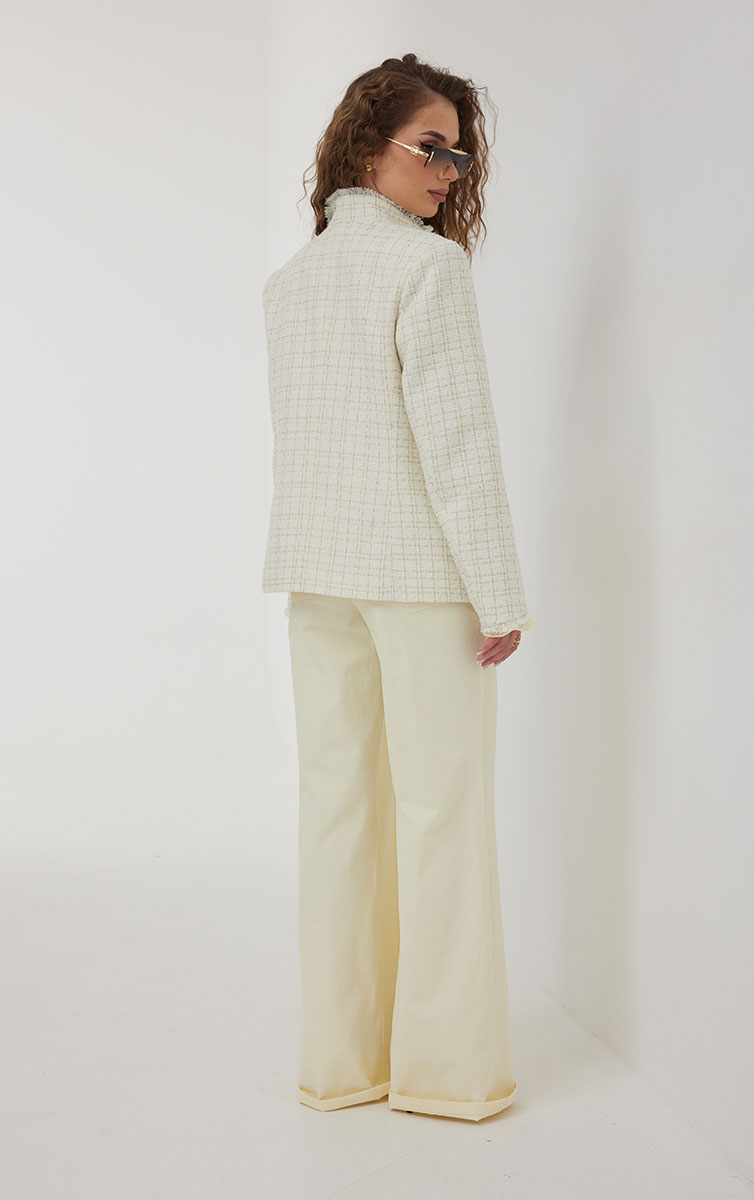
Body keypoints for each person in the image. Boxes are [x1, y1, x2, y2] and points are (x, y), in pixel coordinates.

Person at [261, 53, 536, 1121]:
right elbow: (457, 447)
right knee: (441, 818)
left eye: (458, 155)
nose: (449, 172)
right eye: (433, 147)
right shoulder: (426, 269)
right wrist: (500, 594)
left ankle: (341, 1065)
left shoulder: (292, 283)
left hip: (316, 577)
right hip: (421, 581)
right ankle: (446, 1075)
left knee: (336, 815)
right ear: (366, 143)